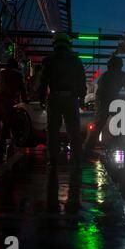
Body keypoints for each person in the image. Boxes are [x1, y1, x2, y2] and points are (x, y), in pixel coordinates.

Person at [39, 33, 87, 167]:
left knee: (53, 130)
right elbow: (82, 82)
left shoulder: (49, 60)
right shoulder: (76, 60)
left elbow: (43, 82)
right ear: (68, 45)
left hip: (54, 98)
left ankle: (52, 159)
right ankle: (77, 159)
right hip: (71, 99)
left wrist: (41, 98)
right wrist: (81, 98)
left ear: (55, 44)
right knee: (73, 131)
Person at [83, 56, 125, 156]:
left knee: (98, 126)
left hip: (103, 101)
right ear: (120, 65)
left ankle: (87, 150)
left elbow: (99, 92)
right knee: (121, 124)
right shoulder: (123, 75)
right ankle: (118, 145)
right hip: (111, 101)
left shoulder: (105, 75)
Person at [0, 58, 29, 151]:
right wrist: (25, 102)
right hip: (8, 101)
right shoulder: (18, 75)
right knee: (7, 123)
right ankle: (1, 144)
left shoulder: (1, 73)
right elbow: (23, 91)